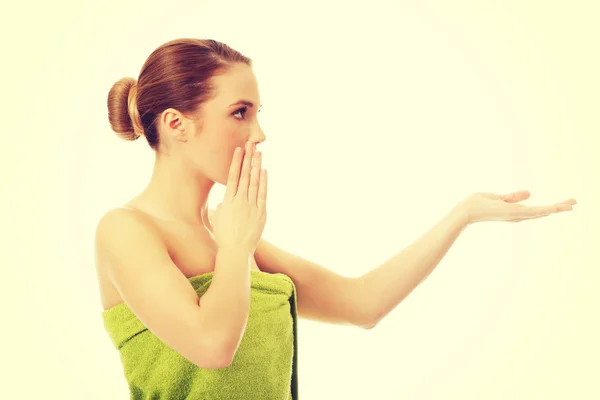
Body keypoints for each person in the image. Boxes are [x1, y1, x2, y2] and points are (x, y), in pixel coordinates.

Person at [97, 38, 577, 399]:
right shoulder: (127, 230)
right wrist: (238, 248)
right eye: (239, 113)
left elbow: (360, 304)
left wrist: (463, 214)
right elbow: (213, 347)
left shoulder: (228, 236)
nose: (259, 133)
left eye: (258, 113)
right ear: (177, 124)